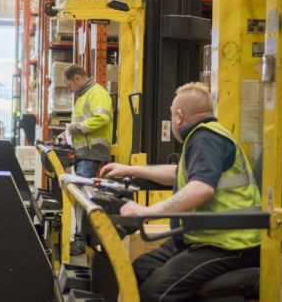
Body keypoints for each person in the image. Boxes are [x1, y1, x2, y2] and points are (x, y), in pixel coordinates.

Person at [100, 82, 261, 301]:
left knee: (156, 293)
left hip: (228, 244)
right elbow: (179, 172)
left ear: (178, 116)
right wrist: (128, 169)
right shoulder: (205, 136)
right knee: (139, 268)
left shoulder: (205, 138)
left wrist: (147, 211)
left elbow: (201, 188)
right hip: (200, 236)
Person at [56, 64, 114, 255]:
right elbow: (78, 124)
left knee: (83, 198)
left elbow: (101, 118)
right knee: (80, 196)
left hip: (92, 153)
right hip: (84, 153)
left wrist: (76, 128)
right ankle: (82, 239)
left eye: (69, 85)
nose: (69, 89)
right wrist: (66, 135)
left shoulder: (97, 93)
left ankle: (81, 242)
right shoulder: (83, 96)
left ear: (77, 78)